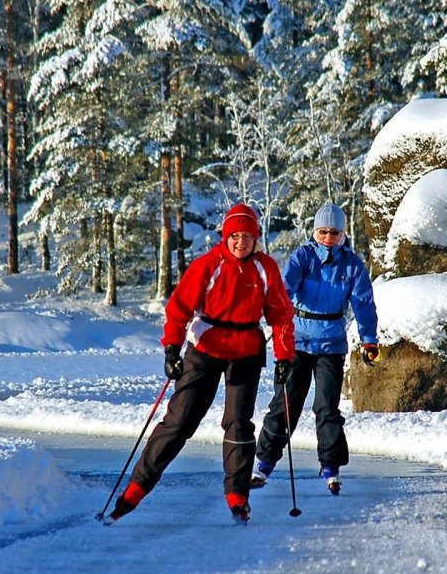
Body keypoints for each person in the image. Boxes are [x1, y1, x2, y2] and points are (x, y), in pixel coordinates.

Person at [105, 203, 295, 524]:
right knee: (180, 419)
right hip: (205, 345)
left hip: (245, 350)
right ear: (225, 237)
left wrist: (284, 357)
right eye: (234, 236)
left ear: (256, 239)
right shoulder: (208, 264)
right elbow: (179, 308)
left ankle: (238, 496)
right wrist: (172, 350)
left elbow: (281, 315)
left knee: (238, 422)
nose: (240, 243)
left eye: (247, 237)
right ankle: (136, 489)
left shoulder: (265, 268)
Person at [252, 203, 379, 496]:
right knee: (285, 402)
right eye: (323, 232)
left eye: (334, 233)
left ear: (343, 234)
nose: (328, 238)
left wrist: (369, 339)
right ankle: (264, 464)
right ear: (314, 232)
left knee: (327, 407)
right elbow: (284, 289)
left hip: (331, 343)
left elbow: (363, 302)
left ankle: (331, 467)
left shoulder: (352, 264)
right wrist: (273, 318)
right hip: (297, 340)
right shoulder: (303, 256)